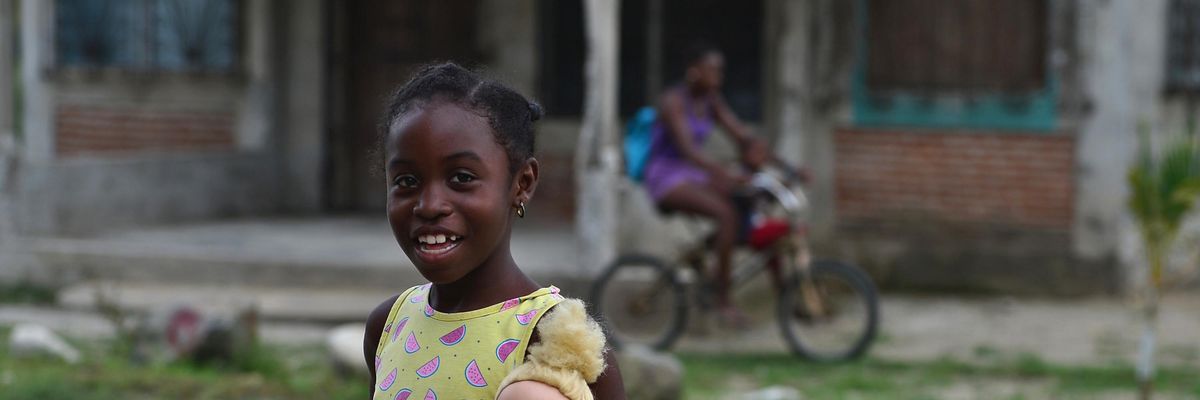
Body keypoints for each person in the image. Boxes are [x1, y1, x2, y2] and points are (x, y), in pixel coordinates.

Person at [363, 63, 624, 400]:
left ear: (522, 184)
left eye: (461, 178)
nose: (429, 205)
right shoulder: (388, 325)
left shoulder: (557, 341)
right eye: (406, 181)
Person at [643, 43, 773, 326]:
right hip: (666, 176)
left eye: (720, 70)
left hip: (692, 174)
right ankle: (722, 299)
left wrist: (783, 164)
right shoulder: (673, 101)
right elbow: (688, 149)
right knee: (726, 215)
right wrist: (724, 173)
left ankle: (705, 258)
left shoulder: (711, 100)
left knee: (742, 203)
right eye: (711, 70)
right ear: (694, 71)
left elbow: (742, 136)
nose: (718, 76)